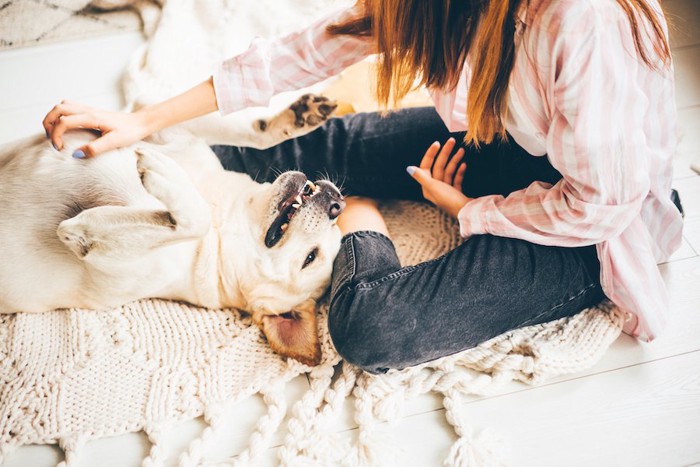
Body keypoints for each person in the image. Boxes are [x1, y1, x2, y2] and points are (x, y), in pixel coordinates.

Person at [43, 0, 683, 374]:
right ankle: (156, 161)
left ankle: (366, 221)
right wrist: (146, 120)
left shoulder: (581, 22)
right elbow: (313, 49)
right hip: (516, 137)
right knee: (324, 147)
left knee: (372, 327)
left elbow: (601, 202)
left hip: (596, 220)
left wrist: (469, 210)